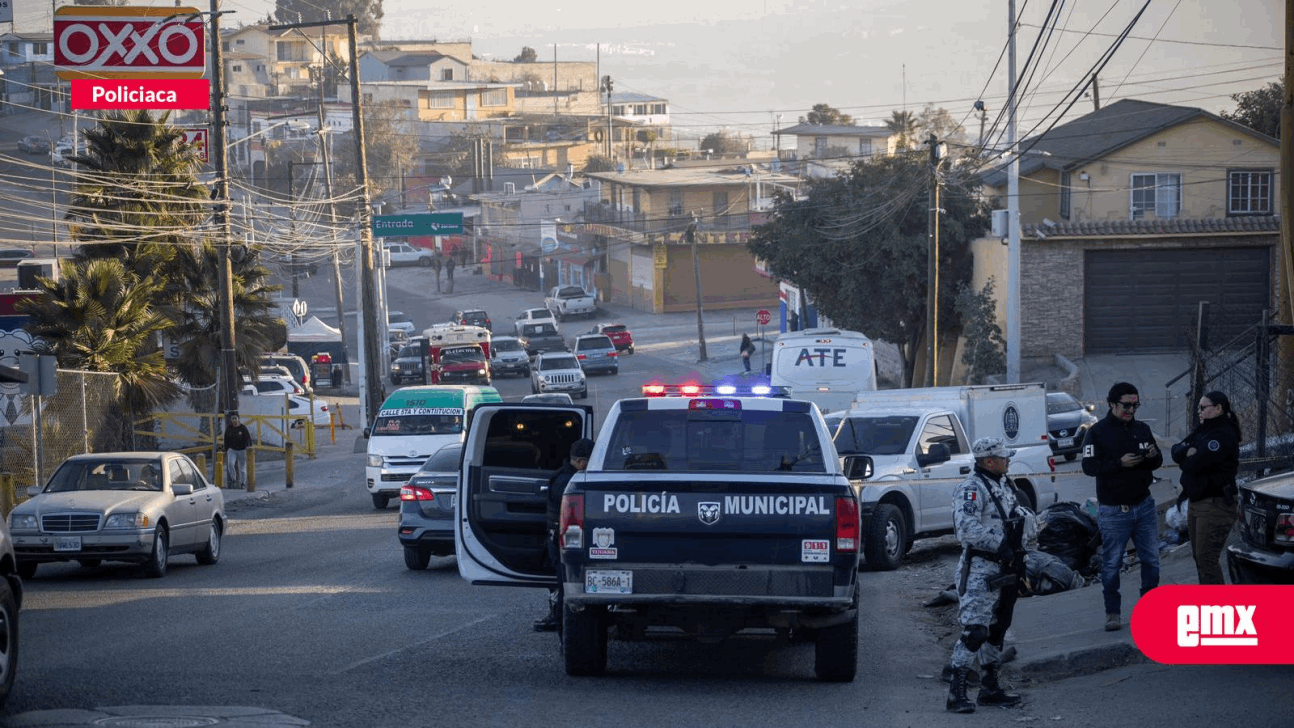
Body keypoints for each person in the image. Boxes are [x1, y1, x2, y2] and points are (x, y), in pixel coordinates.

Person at [945, 437, 1027, 713]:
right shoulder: (971, 489)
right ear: (989, 461)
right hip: (980, 569)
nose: (1008, 461)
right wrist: (1000, 545)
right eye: (1004, 457)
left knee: (996, 629)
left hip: (1006, 568)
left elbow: (1014, 516)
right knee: (975, 631)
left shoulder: (1003, 483)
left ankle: (990, 688)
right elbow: (966, 529)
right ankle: (956, 692)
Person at [1080, 382, 1163, 632]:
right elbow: (1089, 467)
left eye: (1135, 405)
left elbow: (1158, 460)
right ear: (1112, 404)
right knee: (1112, 562)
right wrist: (1119, 463)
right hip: (1114, 510)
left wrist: (1151, 457)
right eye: (1126, 405)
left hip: (1144, 505)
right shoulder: (1096, 432)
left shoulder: (1142, 429)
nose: (1131, 410)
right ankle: (1113, 613)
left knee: (1151, 560)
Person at [1171, 390, 1241, 585]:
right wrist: (1187, 452)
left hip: (1215, 503)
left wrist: (1187, 459)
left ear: (1218, 408)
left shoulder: (1222, 435)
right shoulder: (1203, 430)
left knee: (1207, 560)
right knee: (1200, 560)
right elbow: (1176, 450)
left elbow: (1193, 465)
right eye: (1198, 408)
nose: (1199, 412)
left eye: (1203, 408)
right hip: (1197, 501)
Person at [534, 437, 595, 632]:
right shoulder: (568, 482)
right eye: (588, 462)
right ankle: (563, 628)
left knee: (564, 586)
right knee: (567, 588)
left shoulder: (563, 476)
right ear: (578, 461)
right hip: (562, 542)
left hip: (559, 540)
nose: (590, 466)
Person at [222, 412, 252, 489]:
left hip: (242, 450)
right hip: (232, 450)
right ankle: (234, 479)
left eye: (235, 418)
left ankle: (243, 482)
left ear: (238, 419)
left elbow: (248, 439)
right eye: (232, 419)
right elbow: (226, 440)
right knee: (230, 464)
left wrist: (249, 448)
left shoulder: (243, 428)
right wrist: (226, 449)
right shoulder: (229, 428)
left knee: (242, 467)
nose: (234, 420)